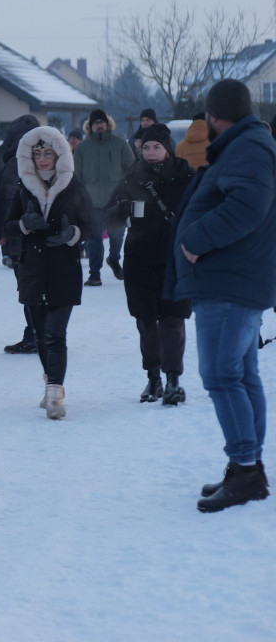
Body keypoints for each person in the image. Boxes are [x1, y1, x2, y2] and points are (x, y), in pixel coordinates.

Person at [166, 78, 276, 513]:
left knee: (221, 374)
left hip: (230, 282)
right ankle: (247, 467)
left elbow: (246, 205)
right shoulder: (249, 144)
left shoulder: (247, 147)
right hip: (236, 279)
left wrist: (195, 240)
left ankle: (246, 470)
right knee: (241, 374)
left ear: (214, 117)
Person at [4, 126, 94, 419]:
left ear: (60, 155)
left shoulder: (73, 186)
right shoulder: (23, 187)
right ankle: (50, 381)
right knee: (41, 335)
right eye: (38, 154)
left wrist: (73, 234)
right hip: (32, 269)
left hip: (63, 268)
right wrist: (23, 224)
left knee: (56, 334)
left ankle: (55, 394)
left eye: (48, 153)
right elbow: (5, 226)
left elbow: (93, 225)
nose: (42, 159)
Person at [104, 124, 193, 404]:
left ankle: (173, 379)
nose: (151, 152)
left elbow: (199, 212)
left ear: (168, 148)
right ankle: (153, 378)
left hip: (174, 257)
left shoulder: (186, 176)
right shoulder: (132, 176)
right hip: (140, 256)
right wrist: (121, 210)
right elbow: (110, 216)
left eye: (157, 147)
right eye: (146, 147)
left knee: (172, 318)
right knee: (145, 320)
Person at [0, 114, 42, 354]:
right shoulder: (47, 158)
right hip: (41, 232)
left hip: (20, 234)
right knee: (39, 286)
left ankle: (34, 335)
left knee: (28, 288)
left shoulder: (16, 162)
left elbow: (7, 197)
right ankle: (42, 333)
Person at [73, 108, 134, 286]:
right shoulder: (82, 148)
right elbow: (77, 176)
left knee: (117, 236)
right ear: (90, 126)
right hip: (91, 202)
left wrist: (128, 191)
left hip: (116, 201)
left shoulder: (120, 144)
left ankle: (114, 259)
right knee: (94, 239)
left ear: (108, 124)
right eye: (95, 123)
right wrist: (79, 200)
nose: (99, 125)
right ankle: (94, 273)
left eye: (102, 122)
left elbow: (131, 168)